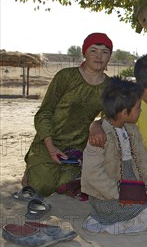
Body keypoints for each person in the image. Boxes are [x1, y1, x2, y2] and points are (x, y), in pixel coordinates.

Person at [22, 32, 113, 197]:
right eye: (94, 50)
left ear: (109, 57)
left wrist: (96, 125)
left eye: (105, 51)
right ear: (84, 53)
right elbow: (44, 113)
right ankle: (32, 169)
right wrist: (51, 148)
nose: (99, 56)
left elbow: (109, 118)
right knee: (42, 187)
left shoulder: (109, 86)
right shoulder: (66, 76)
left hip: (77, 147)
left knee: (66, 185)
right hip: (48, 141)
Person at [81, 77, 147, 234]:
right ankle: (105, 222)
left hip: (131, 188)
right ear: (124, 112)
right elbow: (92, 174)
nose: (141, 111)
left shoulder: (132, 129)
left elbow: (141, 161)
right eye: (138, 108)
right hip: (107, 196)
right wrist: (120, 194)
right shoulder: (99, 136)